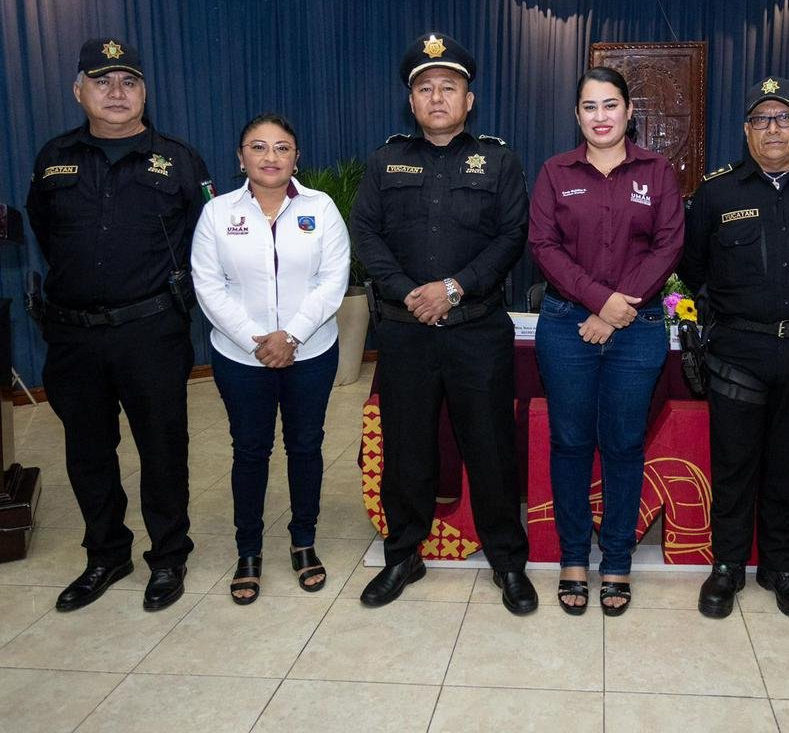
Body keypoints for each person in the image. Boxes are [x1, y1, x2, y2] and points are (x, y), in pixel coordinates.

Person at [350, 31, 536, 613]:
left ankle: (507, 560)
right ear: (411, 101)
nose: (437, 97)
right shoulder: (384, 161)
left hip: (477, 329)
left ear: (468, 100)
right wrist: (410, 294)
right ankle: (404, 554)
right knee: (407, 448)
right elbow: (366, 234)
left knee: (491, 448)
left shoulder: (499, 160)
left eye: (448, 87)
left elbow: (512, 236)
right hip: (405, 330)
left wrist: (454, 289)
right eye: (426, 88)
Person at [25, 38, 210, 612]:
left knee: (163, 449)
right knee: (87, 451)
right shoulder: (54, 157)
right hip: (73, 335)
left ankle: (169, 556)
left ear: (144, 93)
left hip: (150, 331)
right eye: (101, 81)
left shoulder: (178, 160)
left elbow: (203, 239)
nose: (116, 92)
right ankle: (105, 554)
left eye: (128, 81)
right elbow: (43, 230)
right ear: (78, 91)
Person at [679, 77, 789, 619]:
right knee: (733, 464)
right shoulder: (716, 193)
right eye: (761, 119)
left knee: (788, 463)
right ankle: (727, 566)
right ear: (746, 131)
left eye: (784, 118)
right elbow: (692, 268)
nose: (773, 129)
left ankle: (781, 567)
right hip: (737, 349)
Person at [528, 67, 684, 617]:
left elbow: (669, 245)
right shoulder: (555, 172)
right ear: (577, 115)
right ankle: (574, 556)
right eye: (590, 106)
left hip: (637, 328)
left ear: (628, 111)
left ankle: (617, 558)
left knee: (623, 445)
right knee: (571, 443)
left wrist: (616, 311)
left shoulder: (657, 172)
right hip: (566, 325)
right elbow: (543, 246)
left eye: (610, 104)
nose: (601, 116)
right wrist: (600, 303)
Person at [190, 113, 350, 604]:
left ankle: (304, 541)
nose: (270, 156)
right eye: (258, 147)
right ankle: (249, 551)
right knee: (249, 450)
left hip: (312, 351)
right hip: (241, 357)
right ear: (241, 158)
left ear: (296, 158)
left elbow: (333, 279)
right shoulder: (217, 213)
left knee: (305, 447)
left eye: (282, 147)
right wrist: (255, 340)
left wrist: (293, 336)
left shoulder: (321, 207)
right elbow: (208, 285)